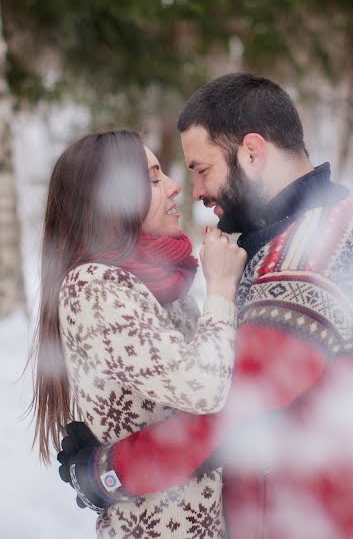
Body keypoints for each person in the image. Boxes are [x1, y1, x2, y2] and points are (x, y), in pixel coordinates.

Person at [58, 75, 353, 538]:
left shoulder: (305, 257)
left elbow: (229, 413)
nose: (193, 189)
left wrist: (104, 474)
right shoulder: (300, 235)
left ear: (252, 154)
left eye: (201, 168)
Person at [30, 129, 247, 538]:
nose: (173, 186)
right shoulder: (93, 287)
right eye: (151, 179)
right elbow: (203, 387)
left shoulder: (158, 283)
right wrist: (221, 289)